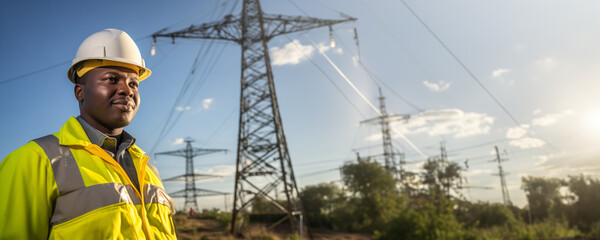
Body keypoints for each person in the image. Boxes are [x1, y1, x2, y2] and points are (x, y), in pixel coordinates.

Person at [0, 28, 177, 239]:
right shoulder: (33, 160)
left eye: (133, 84)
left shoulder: (148, 169)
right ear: (80, 92)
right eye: (112, 79)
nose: (127, 90)